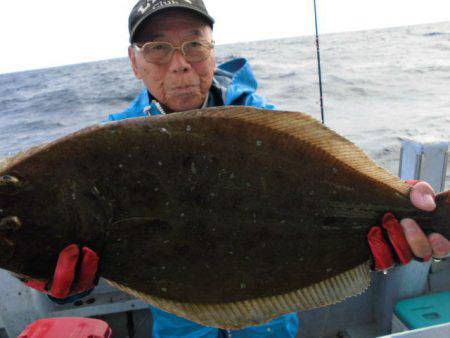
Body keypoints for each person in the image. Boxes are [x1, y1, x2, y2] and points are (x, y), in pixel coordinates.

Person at [23, 0, 450, 337]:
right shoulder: (104, 148)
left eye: (194, 43)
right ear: (134, 61)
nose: (179, 63)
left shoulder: (267, 124)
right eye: (157, 48)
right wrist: (59, 290)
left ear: (212, 51)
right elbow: (81, 264)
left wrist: (403, 202)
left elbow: (348, 193)